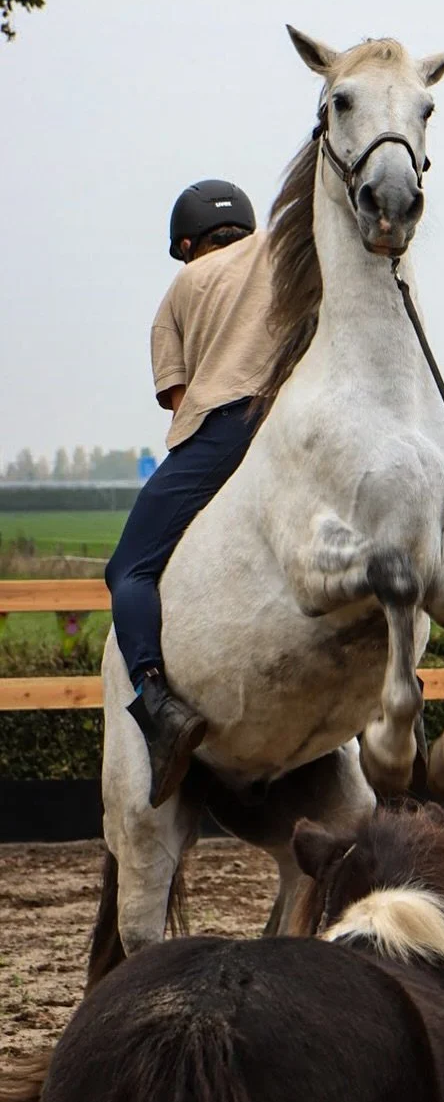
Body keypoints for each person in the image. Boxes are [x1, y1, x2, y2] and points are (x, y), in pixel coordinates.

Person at [105, 179, 277, 809]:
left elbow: (180, 401)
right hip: (292, 424)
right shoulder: (280, 257)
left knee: (129, 567)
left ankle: (156, 701)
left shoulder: (178, 291)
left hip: (225, 431)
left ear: (186, 242)